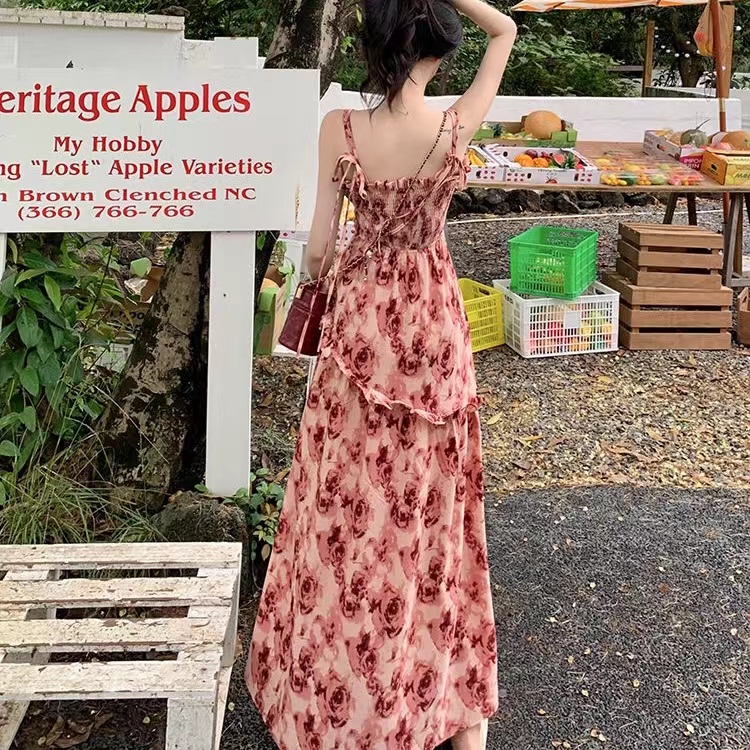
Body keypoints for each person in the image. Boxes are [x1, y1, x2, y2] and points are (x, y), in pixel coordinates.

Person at [247, 1, 516, 748]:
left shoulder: (340, 128)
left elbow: (316, 252)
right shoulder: (453, 128)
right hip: (433, 333)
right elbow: (506, 30)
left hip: (361, 334)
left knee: (345, 507)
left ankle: (330, 701)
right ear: (436, 50)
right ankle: (450, 708)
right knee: (433, 510)